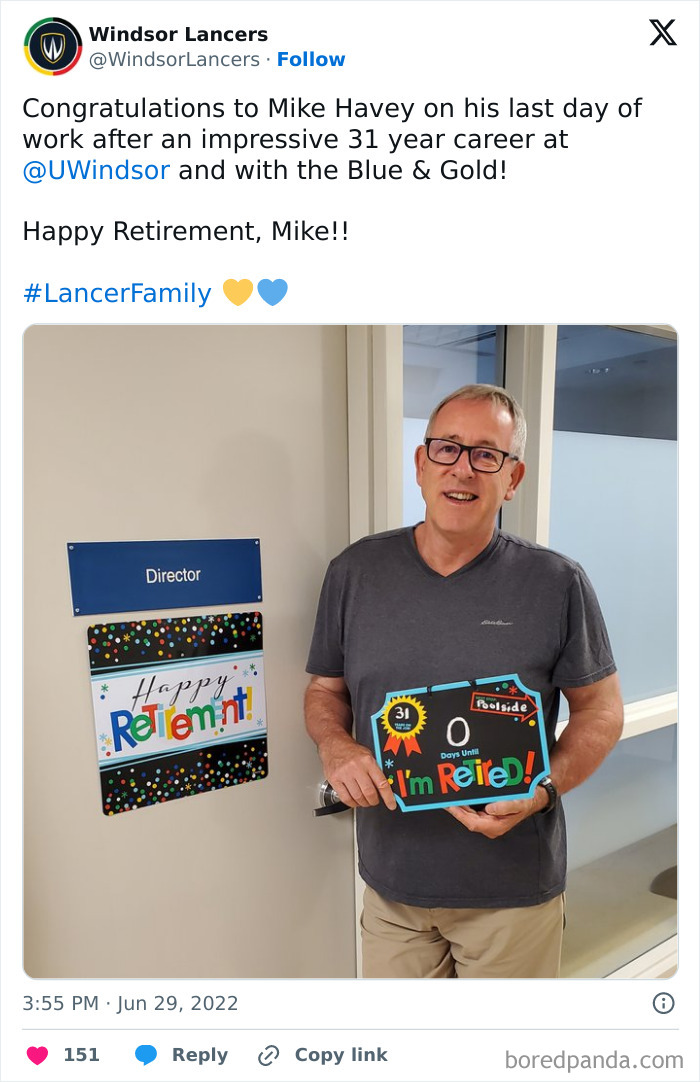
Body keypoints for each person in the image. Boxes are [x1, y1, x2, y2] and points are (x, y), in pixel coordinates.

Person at [305, 384, 623, 978]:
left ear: (513, 477)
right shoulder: (355, 573)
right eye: (448, 449)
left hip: (511, 893)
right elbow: (325, 691)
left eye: (487, 454)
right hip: (392, 887)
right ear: (421, 464)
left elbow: (600, 712)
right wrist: (335, 745)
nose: (464, 469)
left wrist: (544, 788)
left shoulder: (556, 584)